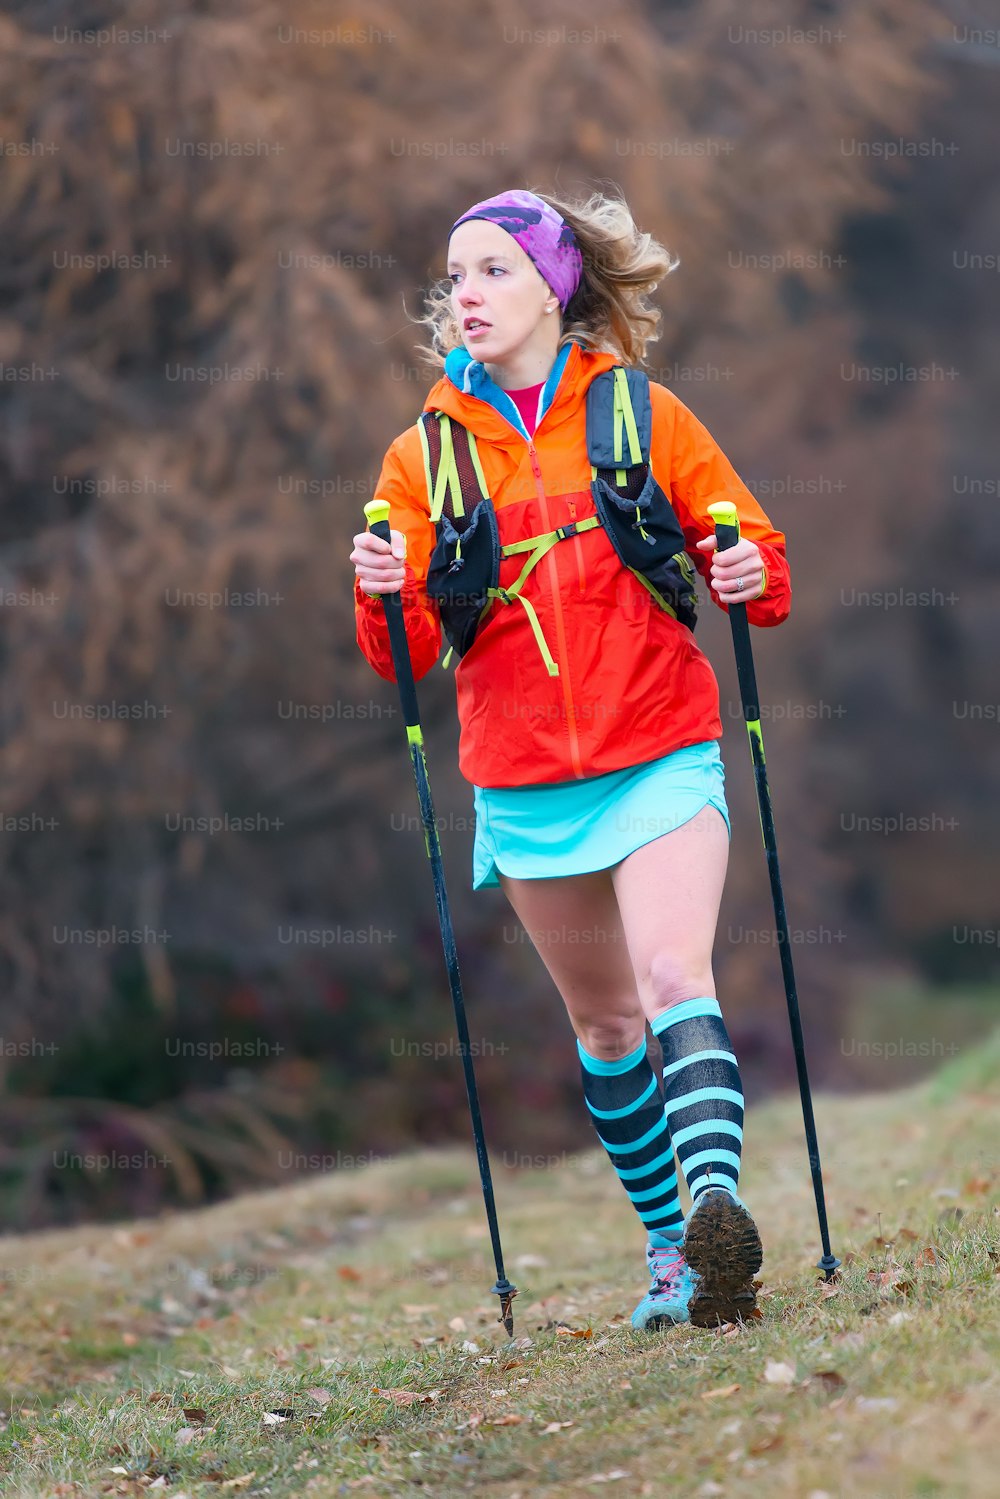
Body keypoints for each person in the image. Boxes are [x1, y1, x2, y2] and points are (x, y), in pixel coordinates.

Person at [350, 187, 790, 1331]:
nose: (465, 294)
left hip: (659, 744)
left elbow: (750, 547)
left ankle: (712, 1211)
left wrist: (749, 571)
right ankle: (670, 1253)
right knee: (603, 1030)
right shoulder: (422, 454)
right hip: (526, 774)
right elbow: (398, 647)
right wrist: (381, 591)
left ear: (551, 283)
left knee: (672, 978)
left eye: (491, 270)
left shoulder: (640, 413)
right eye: (454, 276)